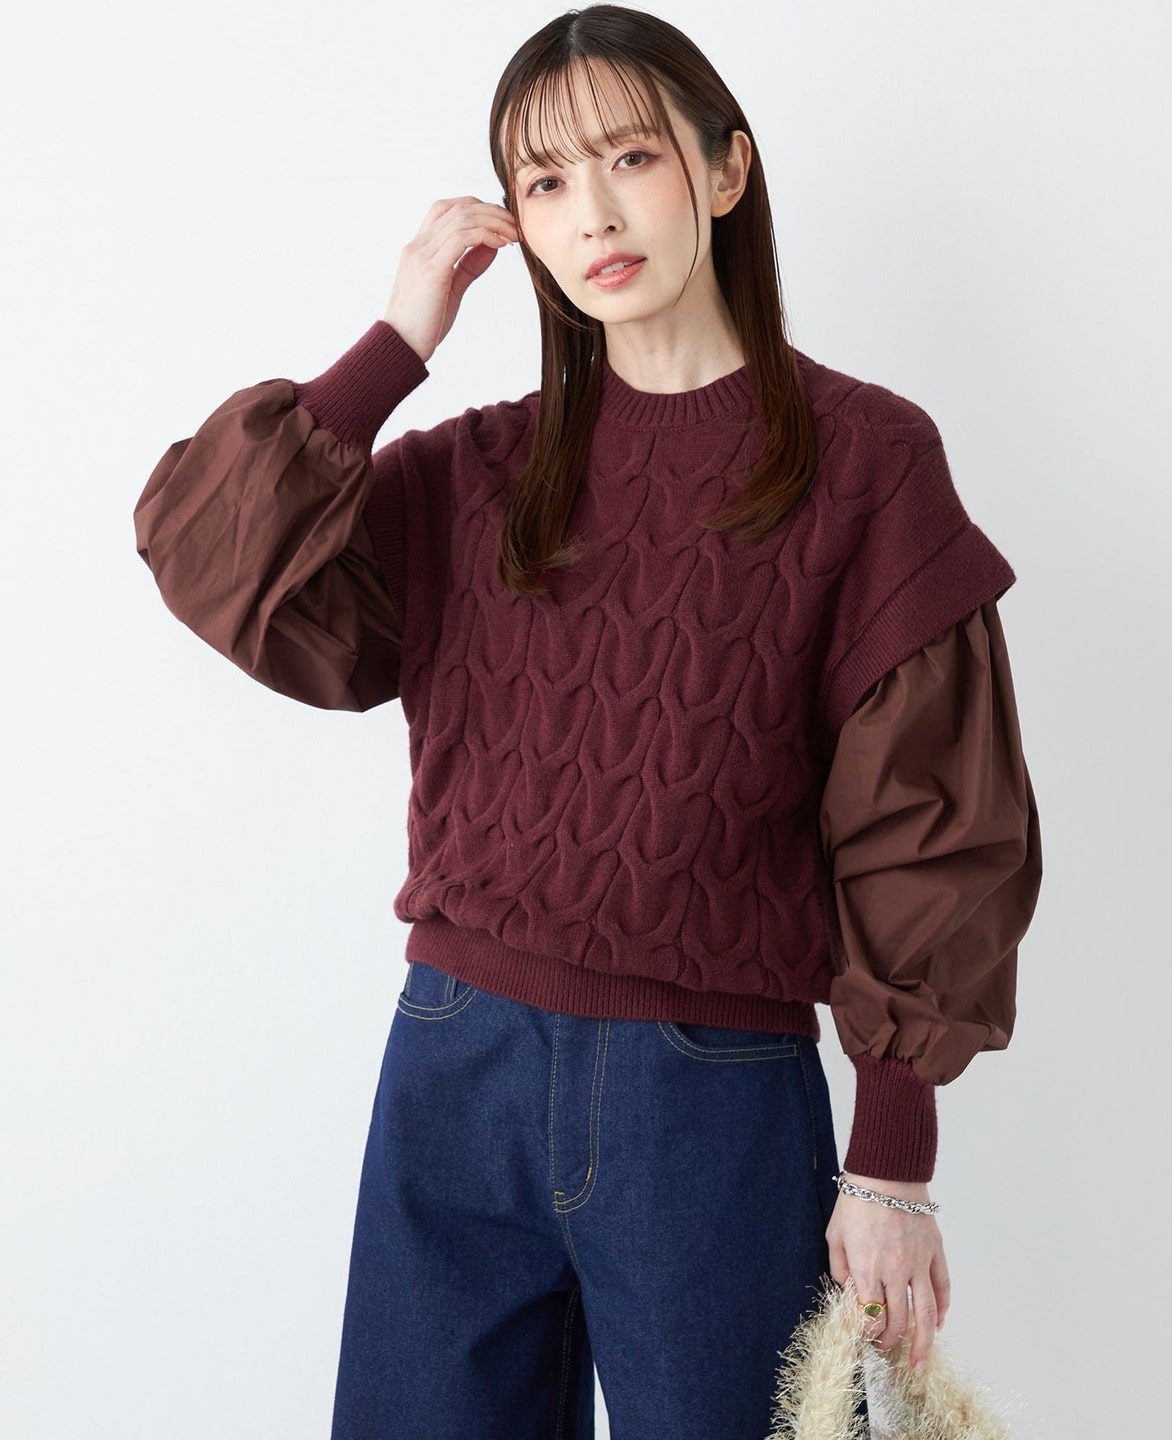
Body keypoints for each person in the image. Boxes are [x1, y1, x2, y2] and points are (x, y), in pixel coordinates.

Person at [133, 5, 1042, 1437]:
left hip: (711, 1093)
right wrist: (396, 340)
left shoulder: (866, 465)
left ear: (724, 169)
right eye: (546, 180)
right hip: (455, 1058)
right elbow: (209, 556)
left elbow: (930, 823)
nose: (594, 215)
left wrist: (893, 1163)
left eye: (631, 157)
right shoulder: (475, 474)